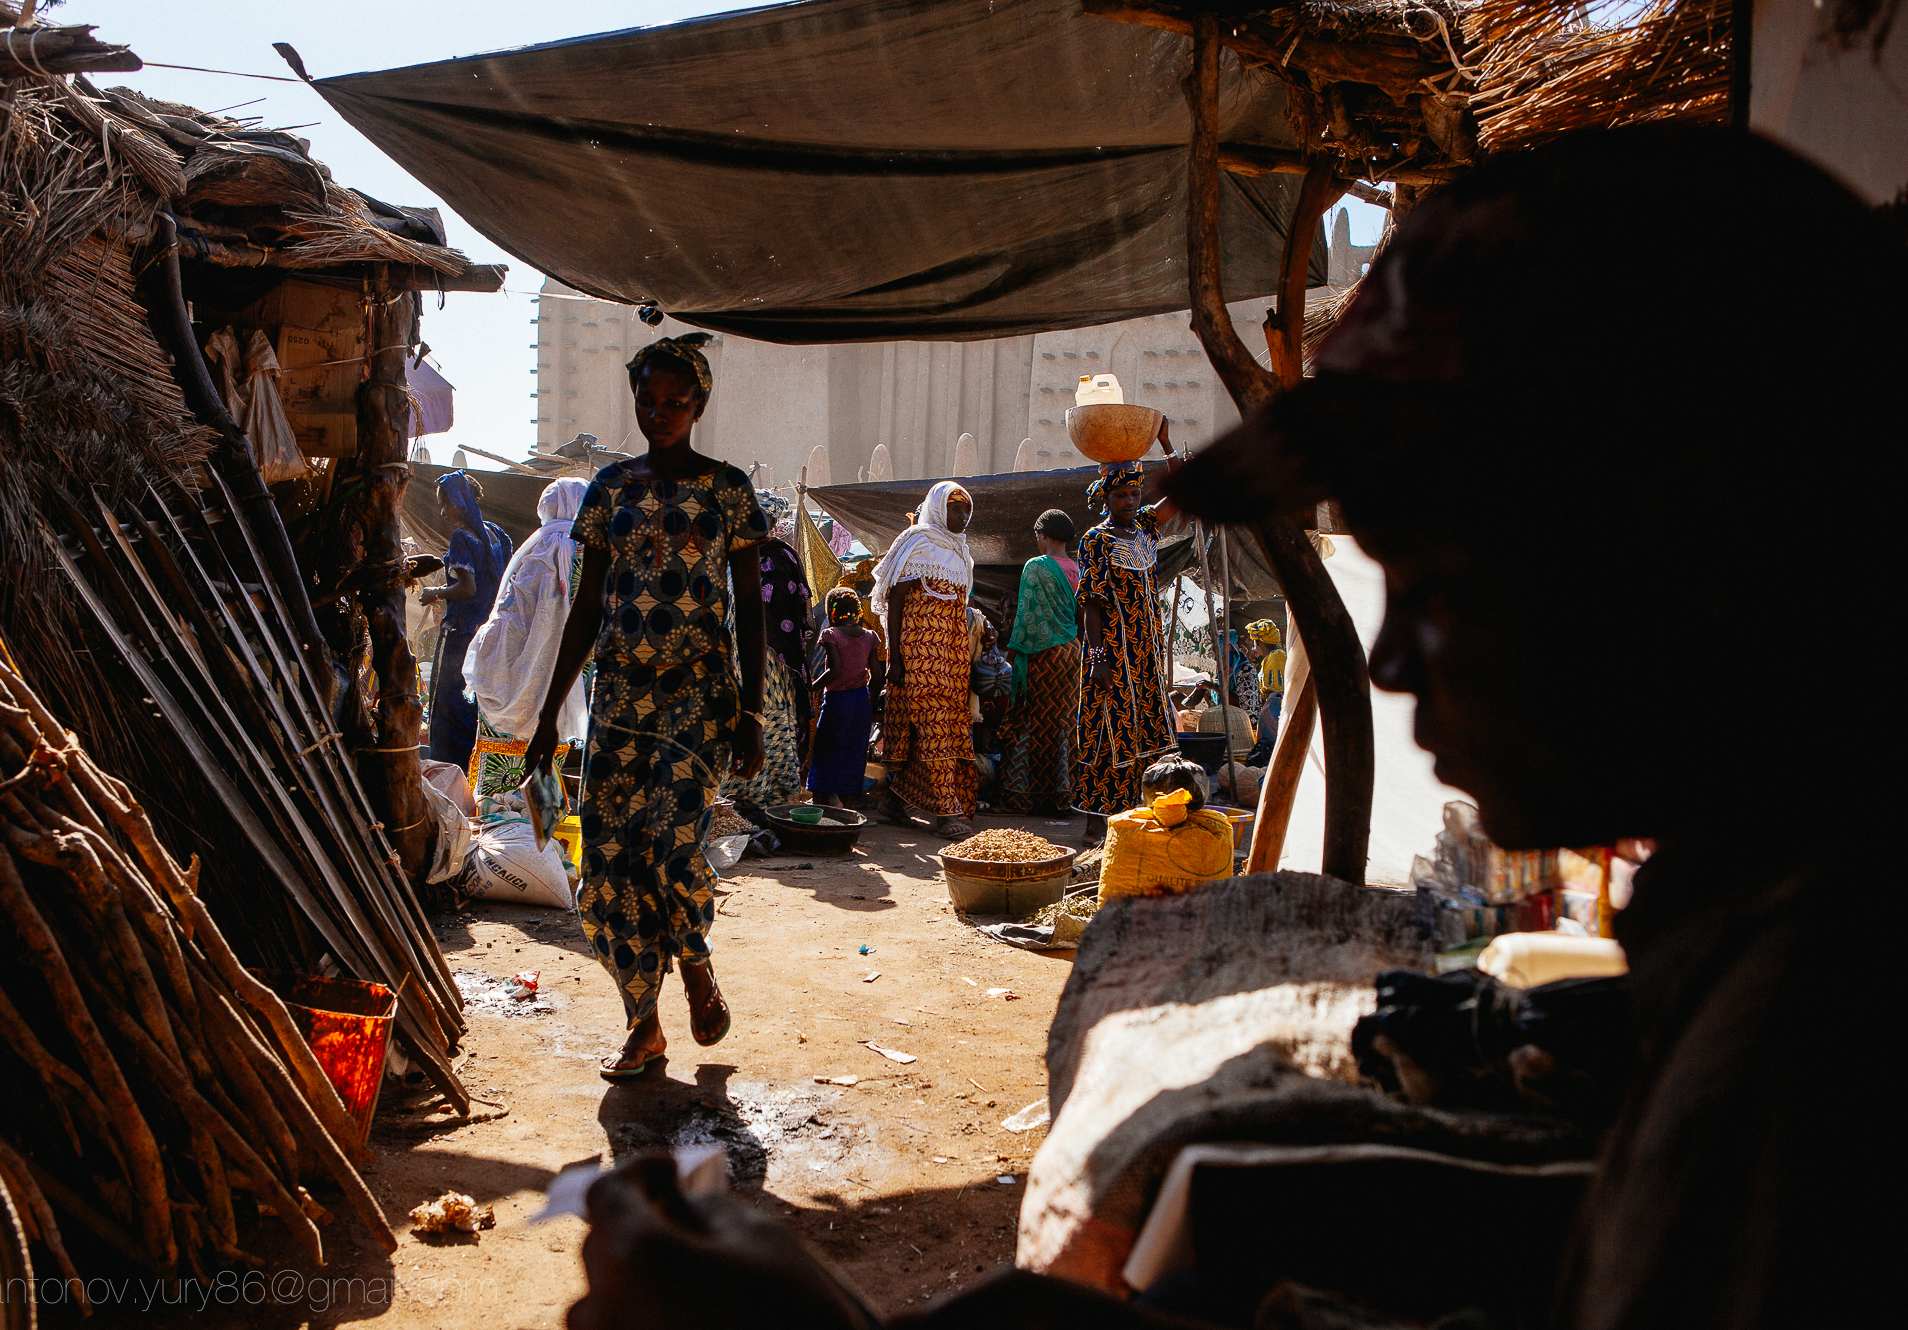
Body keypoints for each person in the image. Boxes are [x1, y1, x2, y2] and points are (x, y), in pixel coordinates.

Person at [555, 127, 1893, 1330]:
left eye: (1442, 578)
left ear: (1686, 550)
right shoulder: (1751, 917)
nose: (1393, 650)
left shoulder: (1811, 1051)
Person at [524, 332, 769, 1080]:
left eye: (674, 402)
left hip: (699, 698)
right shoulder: (609, 490)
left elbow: (752, 609)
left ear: (699, 404)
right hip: (621, 700)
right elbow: (587, 606)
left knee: (671, 845)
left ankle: (694, 961)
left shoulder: (728, 490)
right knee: (606, 861)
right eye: (647, 401)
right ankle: (643, 1023)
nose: (658, 413)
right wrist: (546, 714)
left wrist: (752, 714)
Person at [1071, 428, 1183, 848]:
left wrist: (1167, 445)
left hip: (1146, 651)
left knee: (1148, 724)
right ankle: (1096, 820)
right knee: (1107, 725)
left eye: (1135, 495)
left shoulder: (1147, 529)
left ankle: (1143, 809)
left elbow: (1182, 493)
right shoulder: (1095, 541)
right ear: (1106, 499)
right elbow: (1092, 603)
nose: (1130, 502)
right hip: (1112, 651)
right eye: (1121, 496)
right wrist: (1097, 656)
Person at [460, 476, 589, 808]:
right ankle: (535, 850)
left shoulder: (539, 552)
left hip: (509, 685)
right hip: (562, 689)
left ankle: (495, 843)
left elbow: (508, 618)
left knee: (496, 787)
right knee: (543, 783)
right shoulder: (594, 559)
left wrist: (484, 662)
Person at [870, 481, 979, 839]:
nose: (962, 516)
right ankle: (947, 814)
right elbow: (896, 601)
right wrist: (895, 659)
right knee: (933, 727)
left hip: (951, 656)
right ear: (937, 508)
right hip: (919, 654)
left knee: (933, 728)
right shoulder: (918, 543)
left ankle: (893, 802)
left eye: (966, 510)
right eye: (954, 508)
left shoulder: (962, 554)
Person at [420, 471, 512, 768]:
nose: (443, 511)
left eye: (445, 504)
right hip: (486, 634)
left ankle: (448, 769)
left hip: (460, 634)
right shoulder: (496, 534)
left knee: (448, 705)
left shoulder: (462, 537)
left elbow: (467, 587)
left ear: (460, 502)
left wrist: (434, 592)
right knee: (473, 705)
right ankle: (473, 769)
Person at [721, 532, 814, 812]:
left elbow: (787, 611)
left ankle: (771, 801)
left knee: (767, 720)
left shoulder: (780, 557)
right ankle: (733, 801)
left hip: (774, 658)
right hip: (738, 656)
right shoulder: (728, 558)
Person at [999, 508, 1082, 814]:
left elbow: (1027, 619)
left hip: (1043, 655)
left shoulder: (1036, 567)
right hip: (1073, 654)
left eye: (1037, 536)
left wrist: (1015, 650)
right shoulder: (1077, 568)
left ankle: (1021, 796)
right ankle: (1061, 796)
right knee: (1062, 725)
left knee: (1030, 723)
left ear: (1043, 535)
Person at [808, 587, 882, 808]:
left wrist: (811, 687)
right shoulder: (871, 637)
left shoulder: (831, 635)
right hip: (860, 702)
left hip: (837, 703)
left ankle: (824, 798)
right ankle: (849, 803)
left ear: (832, 612)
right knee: (854, 752)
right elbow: (877, 677)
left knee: (826, 749)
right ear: (858, 611)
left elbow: (836, 671)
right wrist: (869, 700)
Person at [1237, 619, 1285, 766]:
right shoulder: (1270, 658)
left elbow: (1276, 689)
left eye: (1254, 642)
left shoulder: (1276, 657)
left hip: (1276, 710)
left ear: (1258, 642)